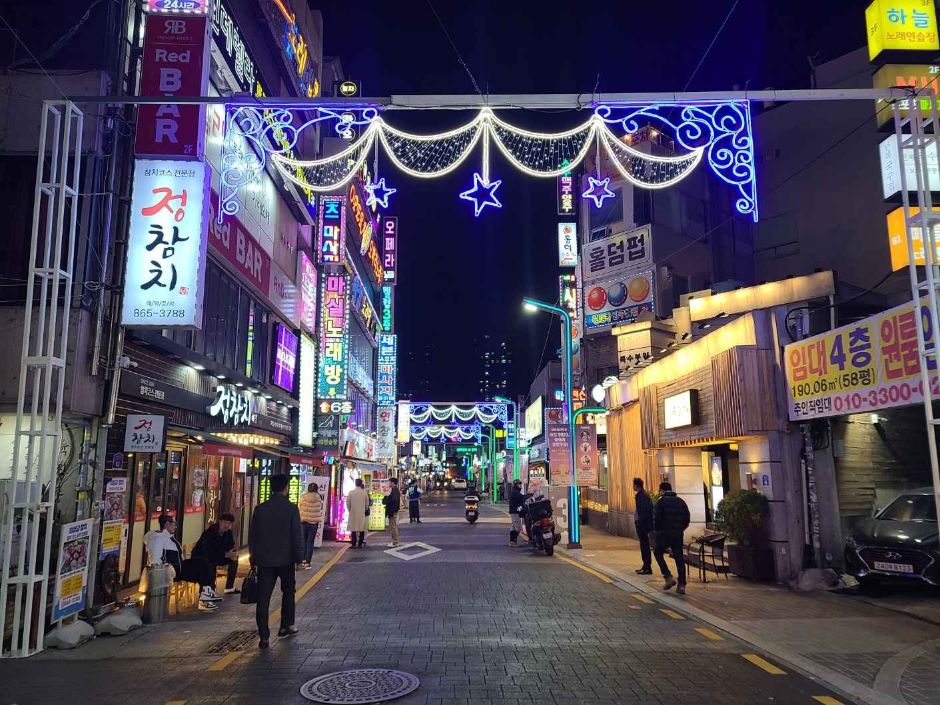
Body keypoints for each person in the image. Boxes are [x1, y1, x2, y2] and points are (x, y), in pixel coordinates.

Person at [248, 474, 303, 648]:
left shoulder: (260, 509)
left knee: (263, 598)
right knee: (288, 592)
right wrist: (300, 557)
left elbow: (253, 536)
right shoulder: (291, 509)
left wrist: (253, 557)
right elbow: (296, 534)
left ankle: (264, 636)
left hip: (264, 560)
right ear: (286, 488)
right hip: (286, 559)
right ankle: (285, 626)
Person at [144, 515, 220, 611]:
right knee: (203, 568)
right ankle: (205, 598)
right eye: (174, 524)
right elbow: (155, 560)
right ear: (167, 524)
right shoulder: (158, 539)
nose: (175, 527)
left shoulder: (168, 537)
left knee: (206, 562)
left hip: (179, 566)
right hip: (171, 571)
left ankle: (208, 593)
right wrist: (166, 572)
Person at [653, 481, 691, 594]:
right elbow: (687, 519)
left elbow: (657, 519)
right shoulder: (681, 502)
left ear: (662, 491)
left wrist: (658, 531)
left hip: (665, 533)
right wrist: (680, 529)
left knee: (658, 552)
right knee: (679, 557)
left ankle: (668, 576)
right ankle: (682, 584)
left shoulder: (661, 502)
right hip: (678, 534)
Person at [191, 512, 240, 594]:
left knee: (234, 561)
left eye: (229, 523)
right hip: (202, 557)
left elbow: (230, 545)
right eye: (224, 522)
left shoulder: (228, 533)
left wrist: (233, 553)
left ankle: (229, 587)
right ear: (220, 522)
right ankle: (209, 591)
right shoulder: (210, 532)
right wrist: (225, 554)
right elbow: (208, 551)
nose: (226, 525)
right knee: (210, 563)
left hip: (218, 556)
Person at [298, 483, 324, 568]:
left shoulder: (303, 497)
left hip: (304, 522)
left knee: (303, 542)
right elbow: (320, 508)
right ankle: (308, 562)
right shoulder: (319, 498)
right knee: (310, 542)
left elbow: (299, 507)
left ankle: (302, 560)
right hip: (313, 523)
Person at [633, 478, 654, 575]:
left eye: (634, 485)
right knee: (644, 545)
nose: (633, 487)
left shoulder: (642, 496)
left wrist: (639, 522)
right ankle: (645, 566)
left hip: (643, 525)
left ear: (637, 485)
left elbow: (644, 512)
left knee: (644, 545)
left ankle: (647, 566)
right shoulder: (642, 495)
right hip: (643, 524)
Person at [346, 478, 369, 548]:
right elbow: (367, 504)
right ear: (361, 483)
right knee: (361, 528)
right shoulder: (364, 493)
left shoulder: (351, 492)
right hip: (361, 513)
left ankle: (353, 544)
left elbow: (348, 503)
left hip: (353, 513)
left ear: (355, 484)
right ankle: (360, 544)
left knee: (353, 529)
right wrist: (365, 509)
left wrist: (349, 509)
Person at [383, 477, 401, 547]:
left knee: (393, 526)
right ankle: (395, 541)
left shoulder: (394, 490)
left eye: (389, 482)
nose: (388, 483)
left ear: (393, 483)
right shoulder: (394, 490)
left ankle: (395, 542)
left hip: (392, 511)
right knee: (393, 526)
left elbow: (394, 501)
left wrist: (387, 498)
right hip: (393, 511)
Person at [508, 479, 525, 547]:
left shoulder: (516, 491)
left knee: (513, 527)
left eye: (520, 484)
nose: (520, 485)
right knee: (518, 528)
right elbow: (521, 498)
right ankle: (512, 542)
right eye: (519, 484)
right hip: (515, 511)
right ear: (516, 485)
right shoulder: (515, 492)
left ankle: (512, 541)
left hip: (515, 511)